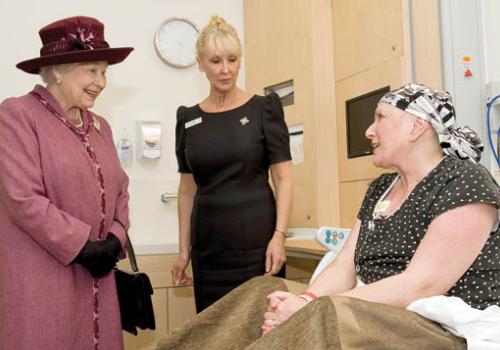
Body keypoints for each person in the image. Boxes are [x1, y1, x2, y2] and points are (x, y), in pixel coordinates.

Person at [157, 83, 499, 350]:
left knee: (323, 314)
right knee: (263, 290)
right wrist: (303, 299)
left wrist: (312, 306)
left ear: (415, 127)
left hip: (437, 324)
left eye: (380, 118)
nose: (369, 130)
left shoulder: (463, 181)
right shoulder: (381, 188)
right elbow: (343, 267)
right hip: (376, 310)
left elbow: (421, 285)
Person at [0, 16, 134, 350]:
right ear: (58, 69)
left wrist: (114, 242)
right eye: (92, 70)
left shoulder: (101, 125)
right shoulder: (17, 115)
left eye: (104, 71)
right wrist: (83, 246)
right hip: (42, 279)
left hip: (98, 280)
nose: (101, 81)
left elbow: (121, 189)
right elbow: (22, 198)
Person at [171, 15, 293, 313]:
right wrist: (183, 249)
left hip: (257, 244)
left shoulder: (264, 108)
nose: (225, 70)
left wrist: (279, 236)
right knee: (213, 331)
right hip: (208, 248)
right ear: (200, 63)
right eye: (215, 61)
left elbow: (284, 178)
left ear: (240, 61)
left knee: (262, 327)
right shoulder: (187, 118)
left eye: (232, 59)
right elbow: (186, 190)